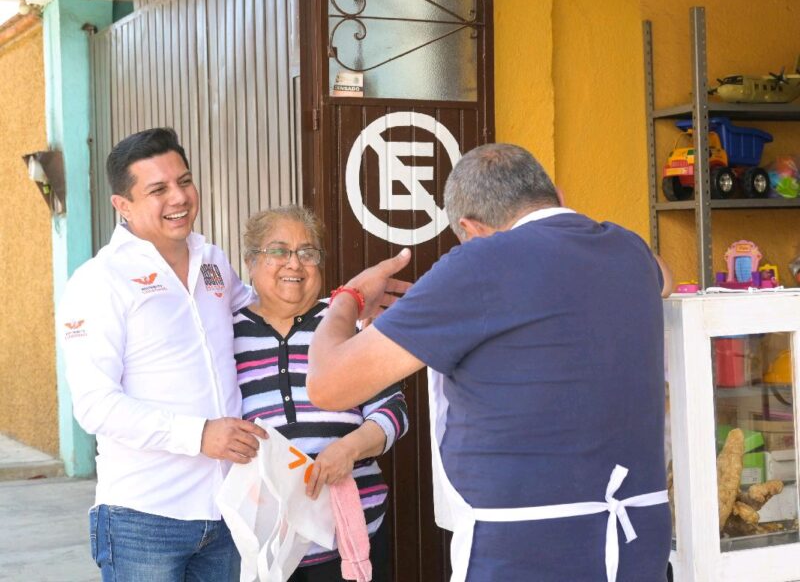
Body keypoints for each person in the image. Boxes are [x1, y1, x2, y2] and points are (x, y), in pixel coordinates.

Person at [307, 144, 673, 581]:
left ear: (470, 228)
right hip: (639, 548)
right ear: (555, 193)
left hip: (526, 554)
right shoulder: (629, 249)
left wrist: (347, 299)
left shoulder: (480, 263)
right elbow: (666, 280)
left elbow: (328, 386)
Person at [57, 128, 267, 582]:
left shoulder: (211, 258)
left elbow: (261, 315)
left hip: (226, 509)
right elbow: (95, 405)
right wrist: (198, 435)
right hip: (144, 518)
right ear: (123, 206)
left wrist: (341, 305)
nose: (180, 197)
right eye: (158, 189)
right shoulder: (99, 281)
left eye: (184, 181)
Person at [234, 205, 408, 582]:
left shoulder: (344, 321)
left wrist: (350, 448)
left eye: (307, 253)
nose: (294, 264)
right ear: (250, 260)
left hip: (355, 533)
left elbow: (394, 411)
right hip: (270, 544)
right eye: (278, 251)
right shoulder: (226, 333)